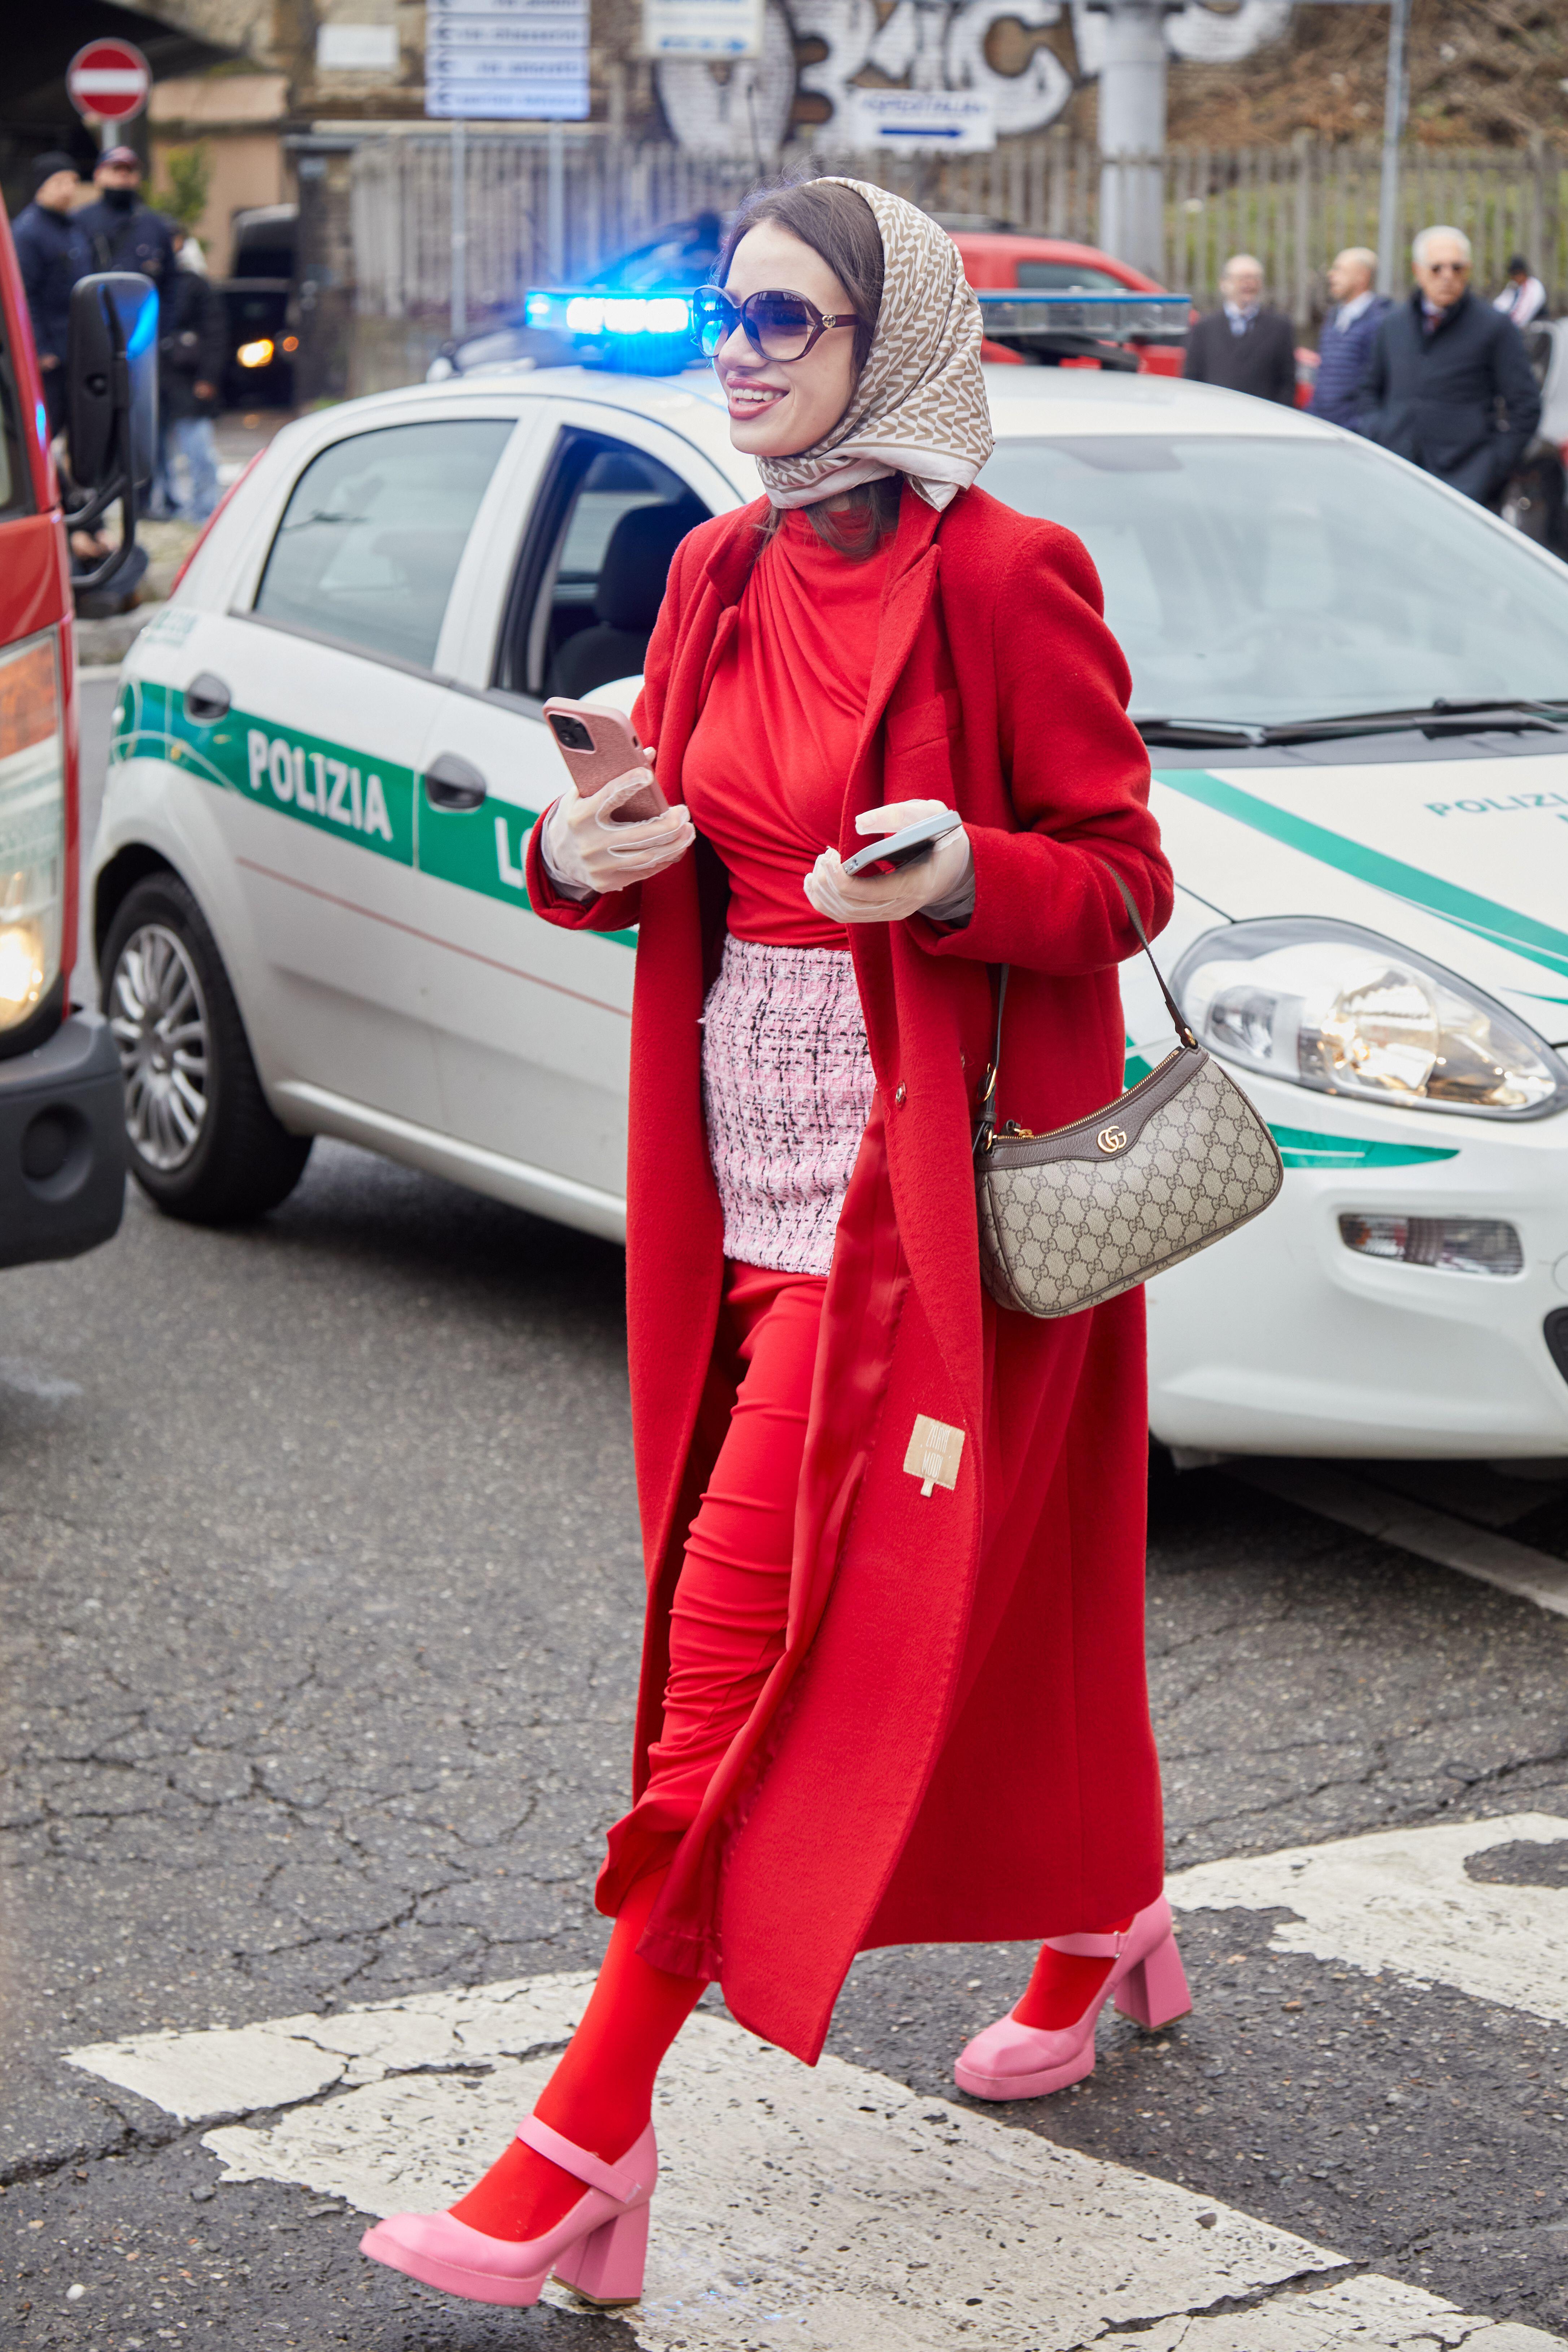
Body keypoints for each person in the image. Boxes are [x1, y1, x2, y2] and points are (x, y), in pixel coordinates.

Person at [359, 175, 1181, 2312]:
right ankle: (1107, 1910)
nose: (741, 355)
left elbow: (1116, 877)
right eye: (729, 319)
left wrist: (961, 874)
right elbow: (660, 853)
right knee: (986, 1609)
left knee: (727, 1679)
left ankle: (579, 2146)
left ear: (887, 342)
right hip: (720, 1184)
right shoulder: (712, 566)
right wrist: (572, 843)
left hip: (911, 1222)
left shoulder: (1013, 580)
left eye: (786, 323)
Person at [1362, 225, 1541, 507]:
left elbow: (1526, 406)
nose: (1447, 276)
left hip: (1465, 487)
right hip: (1397, 475)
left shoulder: (1494, 327)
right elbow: (1367, 391)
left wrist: (1491, 467)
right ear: (1418, 270)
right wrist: (1378, 432)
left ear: (1467, 270)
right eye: (1437, 268)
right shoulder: (1392, 325)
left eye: (1457, 268)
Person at [11, 152, 90, 436]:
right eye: (61, 182)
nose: (69, 190)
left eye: (73, 182)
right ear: (42, 187)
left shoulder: (73, 226)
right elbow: (24, 295)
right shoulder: (28, 232)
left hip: (76, 347)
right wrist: (41, 348)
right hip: (51, 353)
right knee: (48, 427)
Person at [153, 230, 223, 521]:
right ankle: (167, 503)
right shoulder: (153, 282)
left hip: (189, 378)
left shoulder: (195, 284)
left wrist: (208, 376)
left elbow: (216, 333)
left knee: (197, 447)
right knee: (158, 450)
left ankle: (205, 507)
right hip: (158, 379)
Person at [1182, 252, 1297, 406]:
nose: (1249, 284)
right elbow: (1192, 378)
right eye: (1242, 278)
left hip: (1263, 418)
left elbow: (1287, 381)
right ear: (1224, 283)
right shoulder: (1204, 328)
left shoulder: (1280, 328)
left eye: (1254, 278)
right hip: (1216, 416)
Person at [75, 147, 178, 294]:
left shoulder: (155, 225)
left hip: (143, 311)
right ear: (98, 175)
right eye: (116, 169)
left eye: (130, 170)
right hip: (95, 310)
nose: (124, 174)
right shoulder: (80, 222)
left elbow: (171, 283)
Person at [1308, 246, 1389, 430]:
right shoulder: (1333, 317)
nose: (1331, 275)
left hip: (1354, 433)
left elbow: (1377, 384)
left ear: (1362, 276)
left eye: (1340, 270)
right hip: (1324, 427)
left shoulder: (1381, 322)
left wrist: (1362, 426)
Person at [1494, 253, 1546, 330]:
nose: (1513, 278)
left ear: (1523, 273)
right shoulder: (1514, 286)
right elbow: (1499, 306)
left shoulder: (1534, 287)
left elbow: (1521, 319)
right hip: (1514, 329)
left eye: (1515, 274)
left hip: (1534, 333)